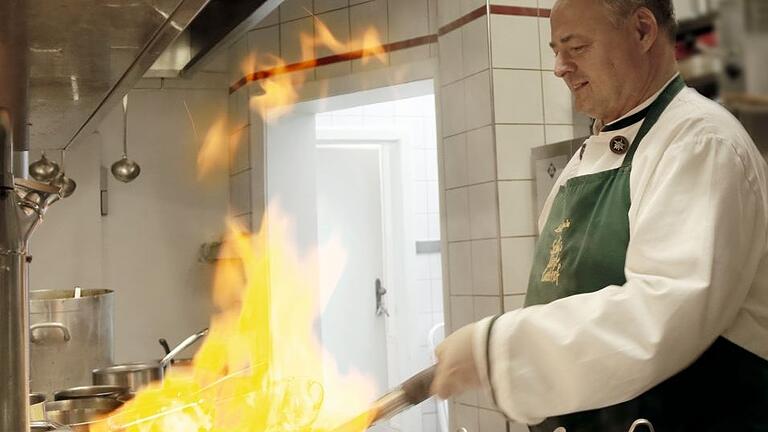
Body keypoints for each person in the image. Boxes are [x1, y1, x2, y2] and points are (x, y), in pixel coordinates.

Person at [431, 0, 768, 431]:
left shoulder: (700, 144)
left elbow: (660, 315)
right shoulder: (579, 168)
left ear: (643, 31)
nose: (559, 67)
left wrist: (497, 349)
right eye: (556, 50)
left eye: (576, 47)